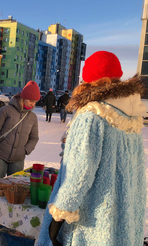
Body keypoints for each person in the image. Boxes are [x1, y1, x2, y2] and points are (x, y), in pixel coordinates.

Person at [37, 51, 146, 246]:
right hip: (122, 221)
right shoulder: (131, 117)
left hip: (91, 224)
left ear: (87, 80)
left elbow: (80, 173)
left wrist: (60, 212)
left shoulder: (92, 115)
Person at [0, 81, 40, 180]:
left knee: (14, 189)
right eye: (31, 100)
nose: (33, 104)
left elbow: (34, 138)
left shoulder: (33, 117)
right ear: (23, 98)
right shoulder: (5, 110)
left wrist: (25, 150)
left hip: (18, 160)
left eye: (35, 102)